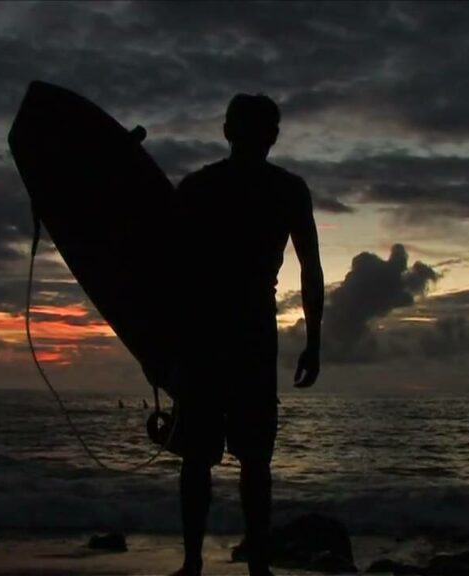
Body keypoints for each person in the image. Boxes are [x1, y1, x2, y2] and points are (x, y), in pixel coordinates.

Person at [172, 94, 324, 576]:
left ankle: (195, 563)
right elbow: (311, 270)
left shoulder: (199, 187)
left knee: (199, 457)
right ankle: (255, 565)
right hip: (250, 333)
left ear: (226, 131)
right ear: (272, 137)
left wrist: (160, 340)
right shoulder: (287, 190)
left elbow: (163, 268)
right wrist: (313, 341)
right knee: (253, 459)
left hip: (202, 330)